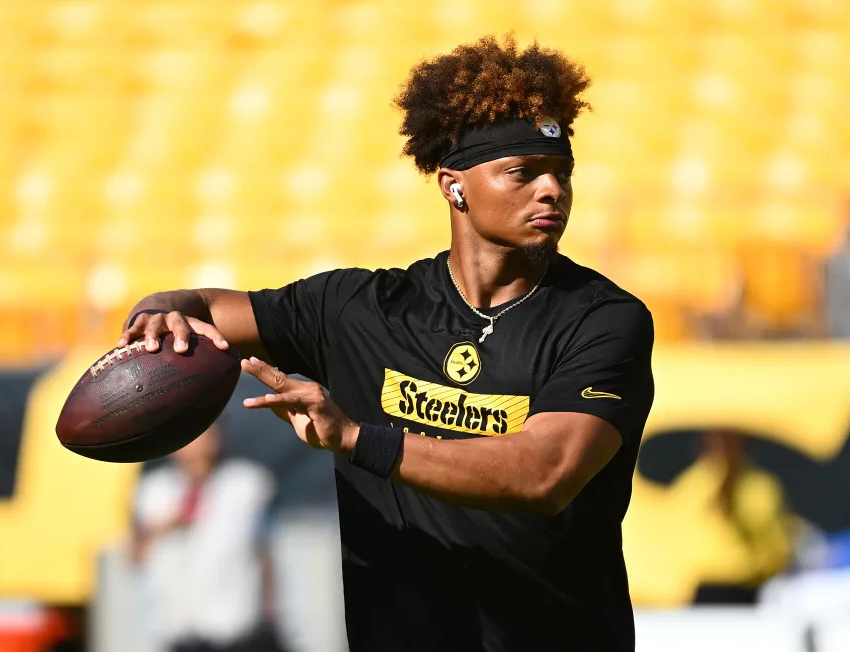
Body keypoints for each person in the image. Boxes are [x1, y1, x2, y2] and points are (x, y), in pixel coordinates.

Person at [118, 35, 655, 652]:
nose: (552, 191)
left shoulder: (604, 320)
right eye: (523, 173)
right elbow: (205, 307)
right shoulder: (358, 309)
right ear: (454, 187)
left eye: (561, 173)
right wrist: (158, 314)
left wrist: (355, 438)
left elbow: (545, 473)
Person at [131, 424, 286, 652]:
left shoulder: (246, 485)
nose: (198, 444)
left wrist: (274, 620)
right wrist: (163, 527)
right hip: (179, 635)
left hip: (238, 636)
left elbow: (266, 557)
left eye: (206, 434)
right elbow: (135, 556)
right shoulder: (154, 491)